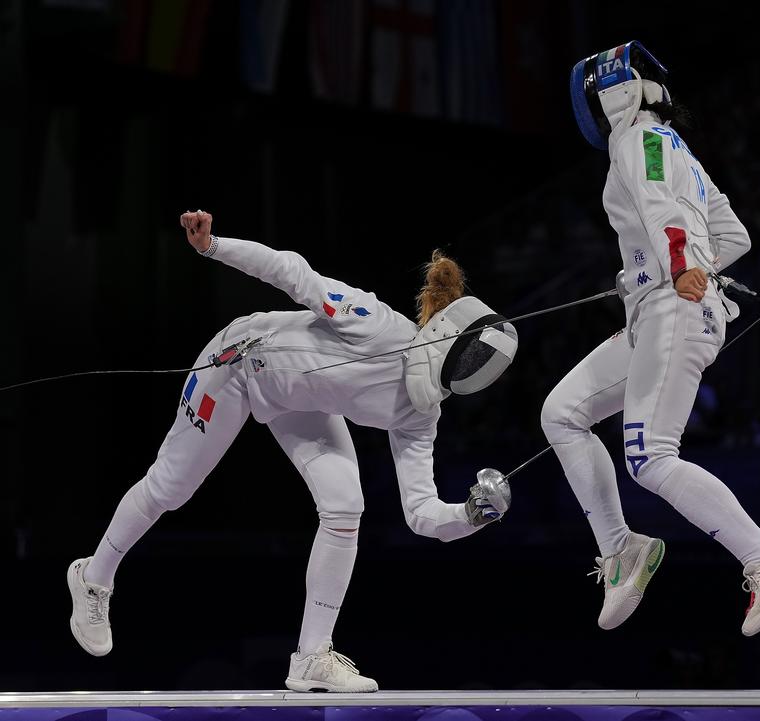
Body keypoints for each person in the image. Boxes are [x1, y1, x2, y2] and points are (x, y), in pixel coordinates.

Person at [67, 210, 518, 692]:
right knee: (170, 487)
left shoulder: (421, 414)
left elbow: (421, 512)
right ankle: (93, 576)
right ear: (441, 338)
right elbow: (292, 271)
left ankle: (311, 658)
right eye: (468, 359)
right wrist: (213, 246)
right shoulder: (377, 325)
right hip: (238, 365)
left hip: (301, 401)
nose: (468, 372)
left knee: (346, 505)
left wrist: (472, 514)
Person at [541, 41, 760, 636]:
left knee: (650, 458)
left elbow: (668, 211)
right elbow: (734, 234)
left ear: (612, 92)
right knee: (561, 412)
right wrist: (665, 272)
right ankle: (622, 550)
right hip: (660, 307)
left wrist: (681, 265)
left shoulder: (636, 140)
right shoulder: (674, 147)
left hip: (675, 307)